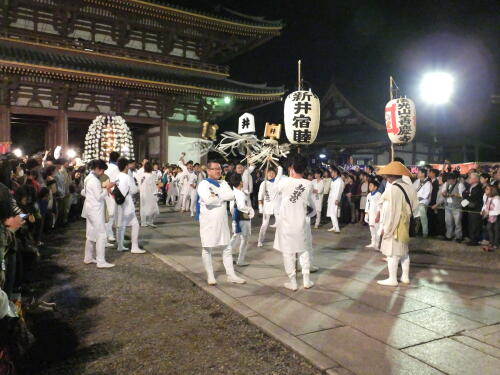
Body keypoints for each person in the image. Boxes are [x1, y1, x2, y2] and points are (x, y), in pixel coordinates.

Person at [196, 160, 245, 285]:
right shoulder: (203, 184)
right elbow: (208, 200)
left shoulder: (223, 183)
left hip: (222, 221)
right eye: (215, 169)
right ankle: (210, 276)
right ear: (208, 170)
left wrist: (218, 196)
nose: (218, 171)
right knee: (207, 248)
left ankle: (231, 275)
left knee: (227, 248)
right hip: (208, 222)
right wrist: (222, 196)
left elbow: (232, 195)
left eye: (219, 169)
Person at [273, 154, 316, 291]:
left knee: (288, 252)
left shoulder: (284, 182)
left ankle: (292, 282)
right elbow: (312, 207)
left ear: (291, 168)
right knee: (304, 250)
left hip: (286, 224)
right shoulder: (309, 184)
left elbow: (275, 188)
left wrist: (280, 170)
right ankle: (306, 280)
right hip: (301, 223)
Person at [376, 162, 419, 287]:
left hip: (396, 224)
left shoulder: (394, 189)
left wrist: (387, 229)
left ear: (389, 177)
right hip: (405, 222)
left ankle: (392, 279)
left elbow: (392, 212)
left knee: (393, 253)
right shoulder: (409, 186)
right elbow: (415, 206)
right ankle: (405, 277)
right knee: (404, 252)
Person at [81, 160, 115, 268]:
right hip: (95, 210)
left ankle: (88, 257)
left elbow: (84, 192)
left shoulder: (88, 178)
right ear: (97, 169)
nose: (102, 172)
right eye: (102, 170)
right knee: (101, 235)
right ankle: (101, 261)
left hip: (89, 209)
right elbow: (99, 196)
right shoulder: (94, 181)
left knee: (90, 234)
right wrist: (107, 188)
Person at [115, 158, 145, 254]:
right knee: (135, 224)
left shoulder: (118, 176)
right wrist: (139, 186)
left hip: (119, 204)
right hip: (127, 204)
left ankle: (120, 245)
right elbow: (134, 190)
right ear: (126, 166)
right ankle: (134, 247)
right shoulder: (127, 177)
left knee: (121, 226)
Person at [226, 174, 254, 266]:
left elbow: (231, 208)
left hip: (236, 217)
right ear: (241, 182)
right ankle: (239, 260)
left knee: (235, 237)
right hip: (243, 218)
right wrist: (250, 210)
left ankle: (227, 256)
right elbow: (241, 206)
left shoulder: (234, 193)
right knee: (244, 239)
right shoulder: (240, 193)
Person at [257, 166, 283, 246]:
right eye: (269, 173)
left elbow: (280, 169)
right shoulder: (264, 183)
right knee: (264, 224)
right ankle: (260, 240)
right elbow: (260, 196)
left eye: (273, 173)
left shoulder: (278, 181)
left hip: (277, 206)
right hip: (267, 206)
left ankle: (280, 241)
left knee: (280, 224)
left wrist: (272, 160)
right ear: (266, 174)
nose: (271, 174)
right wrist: (260, 207)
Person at [439, 172, 465, 241]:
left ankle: (458, 237)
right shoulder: (446, 184)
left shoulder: (460, 185)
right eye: (448, 180)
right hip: (447, 205)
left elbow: (463, 196)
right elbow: (443, 192)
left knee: (457, 223)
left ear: (454, 180)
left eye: (450, 180)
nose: (448, 182)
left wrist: (454, 195)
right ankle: (449, 235)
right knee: (448, 222)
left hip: (457, 206)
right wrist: (444, 194)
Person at [462, 172, 484, 246]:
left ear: (475, 179)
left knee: (475, 225)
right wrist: (468, 195)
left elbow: (473, 197)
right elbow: (464, 193)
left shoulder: (478, 188)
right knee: (471, 224)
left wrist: (467, 195)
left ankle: (475, 240)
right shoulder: (470, 186)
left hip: (476, 209)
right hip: (470, 208)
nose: (469, 179)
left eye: (470, 177)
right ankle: (472, 239)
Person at [105, 151, 120, 242]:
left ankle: (108, 234)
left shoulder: (106, 166)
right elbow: (116, 181)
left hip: (104, 191)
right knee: (111, 214)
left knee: (107, 214)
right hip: (112, 192)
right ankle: (109, 234)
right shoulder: (116, 168)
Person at [413, 169, 433, 237]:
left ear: (423, 174)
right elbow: (412, 190)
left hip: (422, 203)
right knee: (416, 218)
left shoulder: (428, 183)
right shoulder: (416, 181)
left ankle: (425, 233)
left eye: (419, 173)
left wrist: (417, 199)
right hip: (415, 203)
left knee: (423, 219)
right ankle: (416, 232)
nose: (417, 174)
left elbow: (426, 195)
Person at [139, 161, 160, 228]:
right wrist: (156, 194)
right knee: (154, 209)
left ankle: (143, 222)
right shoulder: (151, 176)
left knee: (143, 208)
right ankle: (150, 221)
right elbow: (153, 186)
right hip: (150, 194)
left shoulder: (141, 175)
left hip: (142, 194)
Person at [326, 166, 344, 232]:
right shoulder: (333, 180)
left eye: (332, 172)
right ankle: (334, 226)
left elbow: (339, 191)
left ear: (336, 172)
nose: (331, 173)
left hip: (335, 199)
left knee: (334, 213)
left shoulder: (339, 180)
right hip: (331, 198)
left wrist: (337, 199)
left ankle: (337, 228)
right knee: (331, 213)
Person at [481, 185, 499, 252]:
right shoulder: (487, 197)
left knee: (496, 230)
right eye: (486, 189)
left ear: (492, 191)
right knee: (489, 228)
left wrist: (488, 213)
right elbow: (485, 205)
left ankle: (495, 244)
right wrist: (483, 210)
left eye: (487, 189)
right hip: (490, 216)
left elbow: (497, 211)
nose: (486, 190)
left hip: (496, 217)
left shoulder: (497, 199)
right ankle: (491, 243)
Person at [365, 179, 381, 249]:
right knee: (372, 230)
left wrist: (378, 216)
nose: (369, 187)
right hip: (370, 214)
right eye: (369, 185)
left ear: (375, 187)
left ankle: (377, 244)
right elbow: (367, 205)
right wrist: (366, 214)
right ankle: (373, 243)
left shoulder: (378, 195)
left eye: (371, 185)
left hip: (376, 215)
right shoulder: (369, 195)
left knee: (377, 230)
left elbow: (380, 206)